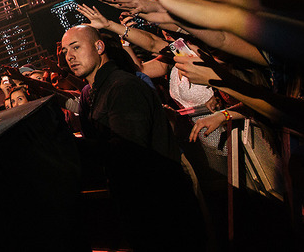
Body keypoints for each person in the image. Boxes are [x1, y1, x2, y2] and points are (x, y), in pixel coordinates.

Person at [59, 24, 204, 251]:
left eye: (75, 47)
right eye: (65, 51)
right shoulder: (92, 92)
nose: (69, 56)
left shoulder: (123, 86)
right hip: (136, 206)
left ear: (99, 46)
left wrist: (66, 145)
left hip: (162, 208)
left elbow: (128, 152)